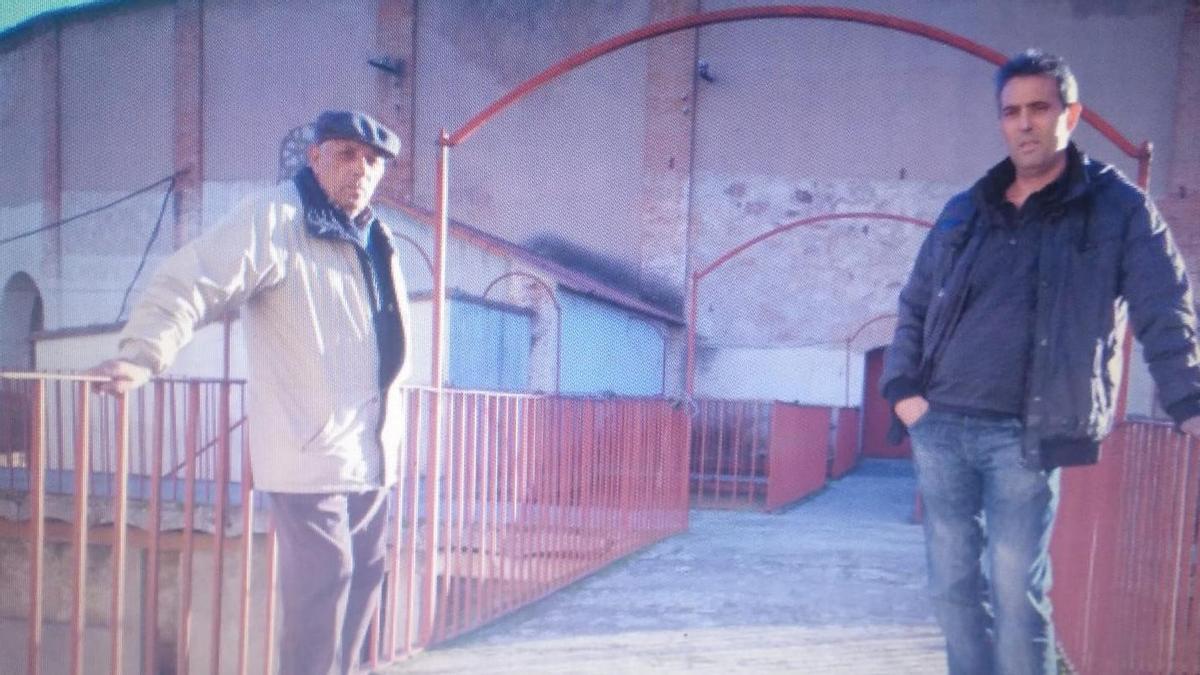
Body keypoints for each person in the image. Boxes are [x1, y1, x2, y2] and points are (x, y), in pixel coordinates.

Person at [881, 49, 1200, 674]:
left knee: (1015, 596)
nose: (1024, 123)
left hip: (1024, 436)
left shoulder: (1117, 209)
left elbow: (1163, 303)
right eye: (1011, 112)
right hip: (941, 425)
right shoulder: (966, 208)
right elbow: (915, 301)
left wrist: (1187, 399)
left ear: (1069, 114)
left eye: (1039, 108)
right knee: (952, 594)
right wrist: (902, 390)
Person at [89, 110, 413, 675]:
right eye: (344, 154)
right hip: (310, 450)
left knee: (365, 575)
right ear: (314, 157)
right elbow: (195, 277)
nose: (359, 170)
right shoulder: (278, 218)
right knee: (325, 583)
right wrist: (143, 353)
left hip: (373, 451)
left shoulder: (378, 238)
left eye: (371, 161)